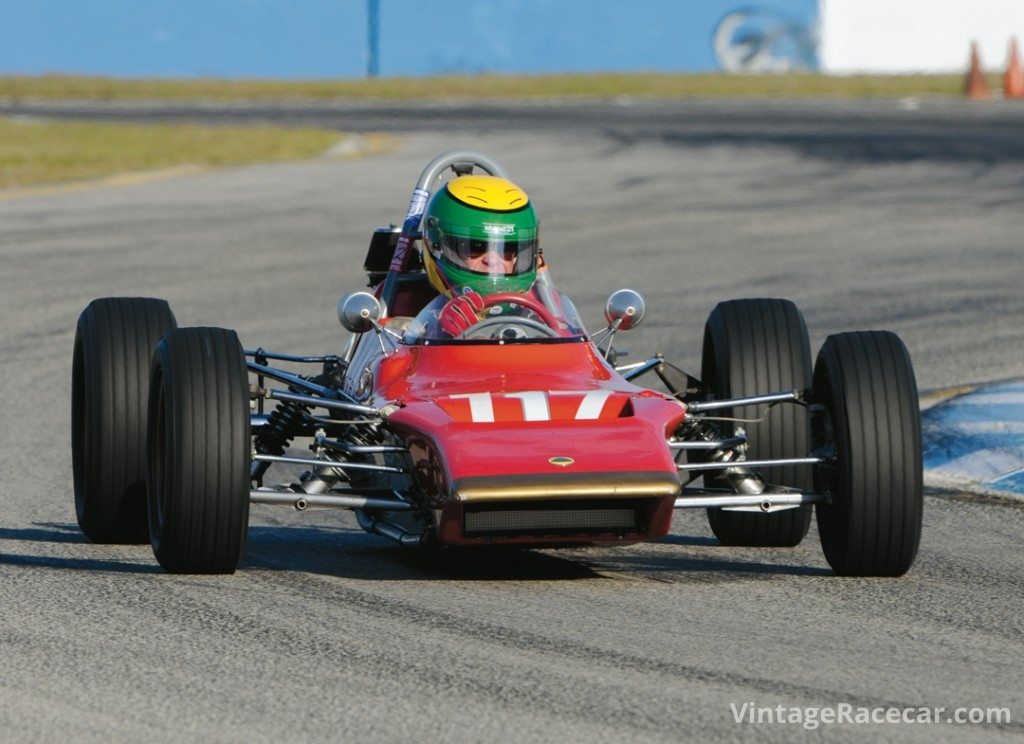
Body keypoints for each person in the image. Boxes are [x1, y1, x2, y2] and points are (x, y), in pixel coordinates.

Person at [409, 173, 583, 341]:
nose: (493, 260)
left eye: (507, 247)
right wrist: (436, 334)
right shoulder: (406, 308)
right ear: (436, 247)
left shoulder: (544, 311)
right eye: (475, 247)